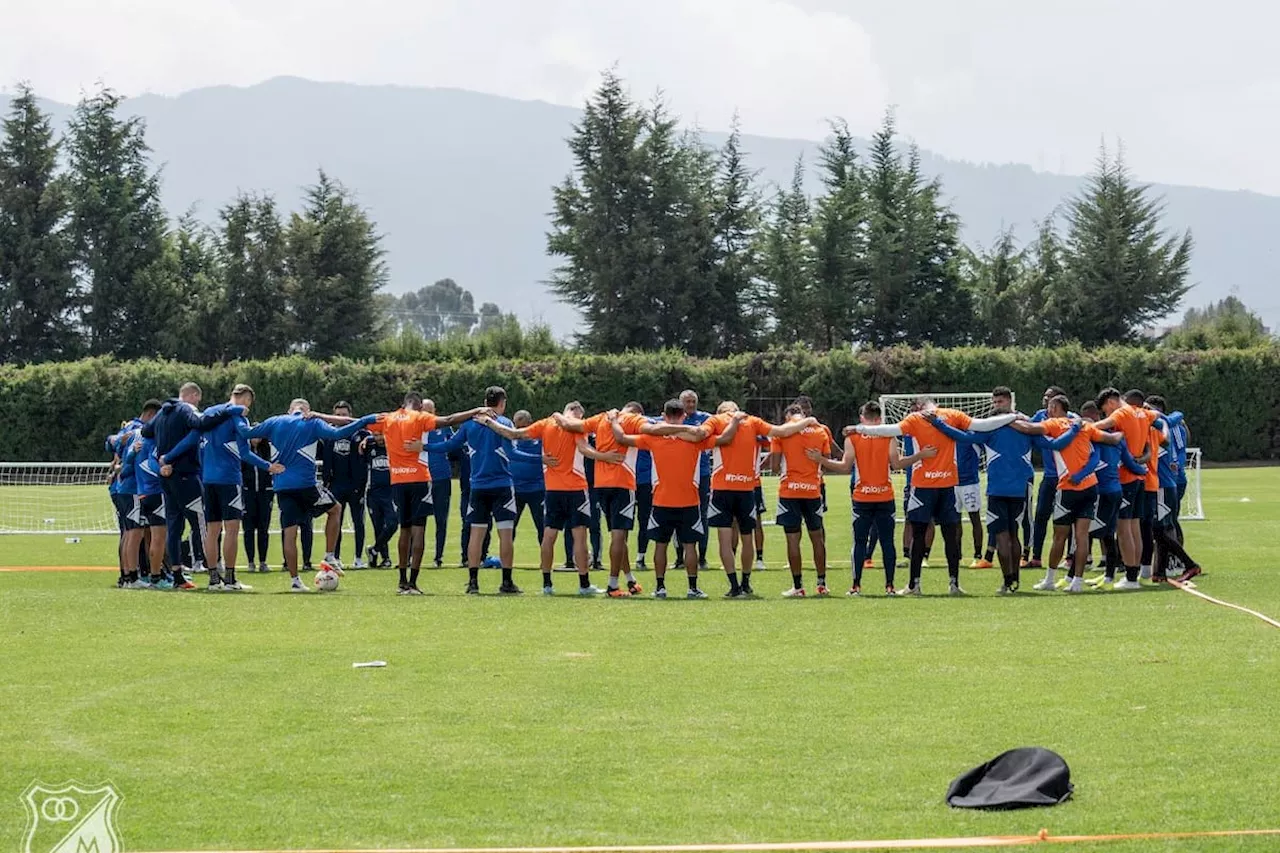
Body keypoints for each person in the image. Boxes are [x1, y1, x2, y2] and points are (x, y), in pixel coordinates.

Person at [851, 398, 1018, 596]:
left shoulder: (915, 418)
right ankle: (954, 584)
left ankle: (914, 584)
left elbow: (890, 430)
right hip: (948, 486)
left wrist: (860, 429)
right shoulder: (952, 415)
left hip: (923, 487)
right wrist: (1013, 416)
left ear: (921, 407)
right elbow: (982, 425)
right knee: (951, 536)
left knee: (919, 535)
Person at [479, 402, 624, 595]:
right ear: (577, 413)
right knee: (580, 536)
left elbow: (513, 434)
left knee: (549, 536)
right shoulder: (576, 427)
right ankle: (584, 584)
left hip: (552, 489)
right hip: (575, 488)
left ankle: (547, 585)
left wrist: (489, 422)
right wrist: (605, 456)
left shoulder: (545, 424)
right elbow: (584, 449)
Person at [363, 393, 490, 594]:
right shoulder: (421, 418)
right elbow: (449, 420)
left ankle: (402, 581)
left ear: (402, 404)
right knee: (419, 530)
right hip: (419, 479)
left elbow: (357, 423)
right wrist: (475, 411)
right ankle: (413, 582)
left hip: (397, 480)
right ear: (420, 406)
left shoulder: (388, 418)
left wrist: (322, 417)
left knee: (404, 530)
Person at [247, 400, 379, 591]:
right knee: (335, 509)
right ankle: (329, 555)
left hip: (283, 486)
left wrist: (266, 465)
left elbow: (246, 434)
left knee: (289, 533)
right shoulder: (312, 422)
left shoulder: (274, 421)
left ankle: (295, 580)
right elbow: (339, 433)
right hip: (307, 486)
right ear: (307, 411)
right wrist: (364, 421)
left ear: (289, 410)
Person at [813, 401, 934, 596]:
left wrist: (821, 460)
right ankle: (890, 586)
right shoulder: (888, 436)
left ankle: (855, 585)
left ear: (862, 418)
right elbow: (896, 464)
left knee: (859, 542)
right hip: (884, 495)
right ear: (879, 419)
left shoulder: (853, 437)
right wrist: (920, 455)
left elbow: (845, 467)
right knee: (887, 542)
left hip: (862, 496)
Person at [609, 401, 727, 598]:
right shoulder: (694, 438)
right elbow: (724, 439)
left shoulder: (653, 438)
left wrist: (613, 419)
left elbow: (620, 437)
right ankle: (692, 588)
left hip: (661, 500)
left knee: (660, 545)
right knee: (690, 546)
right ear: (683, 416)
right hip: (689, 499)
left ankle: (660, 587)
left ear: (664, 416)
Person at [707, 402, 817, 597]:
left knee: (724, 538)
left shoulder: (716, 421)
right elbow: (782, 431)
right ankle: (746, 582)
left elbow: (699, 434)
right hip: (747, 487)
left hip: (722, 488)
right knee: (747, 536)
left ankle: (733, 585)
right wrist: (807, 420)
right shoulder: (752, 421)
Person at [429, 387, 525, 595]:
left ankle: (473, 582)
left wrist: (423, 447)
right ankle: (506, 582)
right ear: (503, 403)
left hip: (478, 486)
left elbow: (449, 445)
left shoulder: (470, 424)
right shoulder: (505, 423)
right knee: (506, 534)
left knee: (476, 533)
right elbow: (513, 454)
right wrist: (540, 459)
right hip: (501, 485)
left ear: (484, 401)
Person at [142, 382, 235, 589]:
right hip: (185, 475)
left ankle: (177, 575)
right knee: (203, 525)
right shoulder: (186, 409)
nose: (198, 404)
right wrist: (226, 412)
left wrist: (162, 461)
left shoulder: (161, 414)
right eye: (198, 399)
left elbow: (146, 432)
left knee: (174, 527)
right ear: (192, 396)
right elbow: (200, 424)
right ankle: (213, 574)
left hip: (166, 478)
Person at [198, 384, 280, 591]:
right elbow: (245, 452)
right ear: (247, 398)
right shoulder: (238, 417)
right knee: (232, 529)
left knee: (212, 529)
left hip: (208, 478)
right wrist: (268, 466)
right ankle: (231, 578)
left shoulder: (211, 411)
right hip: (229, 479)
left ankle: (213, 579)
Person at [770, 404, 837, 596]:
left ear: (788, 416)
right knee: (817, 537)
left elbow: (775, 467)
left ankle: (798, 587)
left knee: (793, 539)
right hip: (813, 491)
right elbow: (826, 462)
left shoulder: (782, 432)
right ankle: (822, 583)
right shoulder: (821, 430)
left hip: (789, 491)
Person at [1092, 388, 1153, 588]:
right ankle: (1135, 571)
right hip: (1139, 476)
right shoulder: (1143, 413)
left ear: (1111, 402)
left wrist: (1081, 425)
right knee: (1134, 527)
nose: (1107, 414)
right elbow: (1162, 418)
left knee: (1123, 528)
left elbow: (1099, 427)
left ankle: (1131, 577)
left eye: (1105, 410)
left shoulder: (1120, 413)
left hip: (1125, 477)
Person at [589, 402, 648, 597]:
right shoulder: (633, 419)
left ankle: (630, 579)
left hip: (601, 484)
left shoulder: (601, 418)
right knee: (619, 536)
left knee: (617, 535)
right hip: (622, 483)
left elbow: (577, 427)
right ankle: (613, 585)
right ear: (638, 412)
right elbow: (650, 427)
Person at [1145, 396, 1204, 583]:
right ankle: (1160, 571)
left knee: (1165, 526)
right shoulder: (1157, 427)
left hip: (1168, 482)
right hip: (1162, 483)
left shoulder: (1165, 426)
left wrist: (1176, 464)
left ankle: (1184, 563)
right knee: (1161, 527)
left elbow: (1178, 447)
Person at [321, 400, 370, 568]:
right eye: (338, 415)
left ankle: (358, 558)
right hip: (336, 485)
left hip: (355, 485)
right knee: (337, 521)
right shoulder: (328, 434)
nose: (341, 418)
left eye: (344, 415)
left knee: (359, 522)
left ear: (350, 415)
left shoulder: (360, 433)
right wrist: (326, 481)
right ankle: (336, 557)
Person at [128, 404, 171, 589]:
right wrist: (161, 470)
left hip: (140, 492)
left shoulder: (136, 437)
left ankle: (135, 576)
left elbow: (128, 461)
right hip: (155, 492)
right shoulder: (153, 441)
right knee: (158, 538)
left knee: (138, 537)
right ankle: (155, 577)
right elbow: (151, 462)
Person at [1027, 386, 1067, 569]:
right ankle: (1036, 557)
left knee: (1068, 519)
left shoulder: (1071, 419)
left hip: (1067, 477)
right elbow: (1027, 428)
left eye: (1050, 399)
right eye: (1045, 398)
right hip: (1050, 476)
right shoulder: (1040, 416)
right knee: (1041, 515)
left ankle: (1070, 557)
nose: (1045, 401)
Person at [421, 402, 460, 567]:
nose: (428, 414)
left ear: (435, 411)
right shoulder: (417, 428)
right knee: (417, 520)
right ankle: (411, 557)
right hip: (422, 479)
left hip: (442, 478)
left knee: (441, 519)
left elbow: (454, 444)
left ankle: (438, 557)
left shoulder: (444, 427)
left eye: (431, 411)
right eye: (425, 411)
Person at [680, 390, 714, 570]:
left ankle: (702, 557)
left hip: (701, 474)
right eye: (687, 402)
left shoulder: (706, 419)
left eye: (693, 401)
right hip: (680, 474)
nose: (691, 405)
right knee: (678, 513)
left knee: (702, 515)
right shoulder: (674, 419)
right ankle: (679, 558)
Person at [509, 410, 547, 546]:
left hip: (537, 489)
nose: (519, 430)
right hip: (515, 489)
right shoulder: (511, 441)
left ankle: (545, 561)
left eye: (522, 426)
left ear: (530, 424)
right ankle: (506, 560)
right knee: (509, 527)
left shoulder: (541, 440)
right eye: (516, 427)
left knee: (542, 526)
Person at [361, 432, 396, 568]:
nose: (379, 438)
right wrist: (367, 439)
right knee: (378, 526)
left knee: (393, 523)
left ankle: (374, 549)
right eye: (376, 435)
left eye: (382, 434)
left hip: (391, 492)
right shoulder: (369, 446)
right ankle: (385, 558)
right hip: (373, 493)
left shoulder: (394, 446)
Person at [242, 436, 275, 573]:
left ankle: (263, 561)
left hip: (264, 494)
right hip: (248, 493)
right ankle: (250, 561)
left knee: (263, 529)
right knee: (248, 529)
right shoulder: (244, 451)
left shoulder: (267, 451)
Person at [957, 439, 987, 568]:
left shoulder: (972, 437)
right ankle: (957, 556)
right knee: (954, 521)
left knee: (975, 518)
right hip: (951, 482)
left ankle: (977, 555)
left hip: (970, 483)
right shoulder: (949, 434)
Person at [633, 423, 656, 571]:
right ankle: (635, 558)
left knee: (644, 520)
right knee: (621, 525)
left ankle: (640, 557)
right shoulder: (627, 435)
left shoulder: (648, 437)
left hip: (645, 482)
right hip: (628, 481)